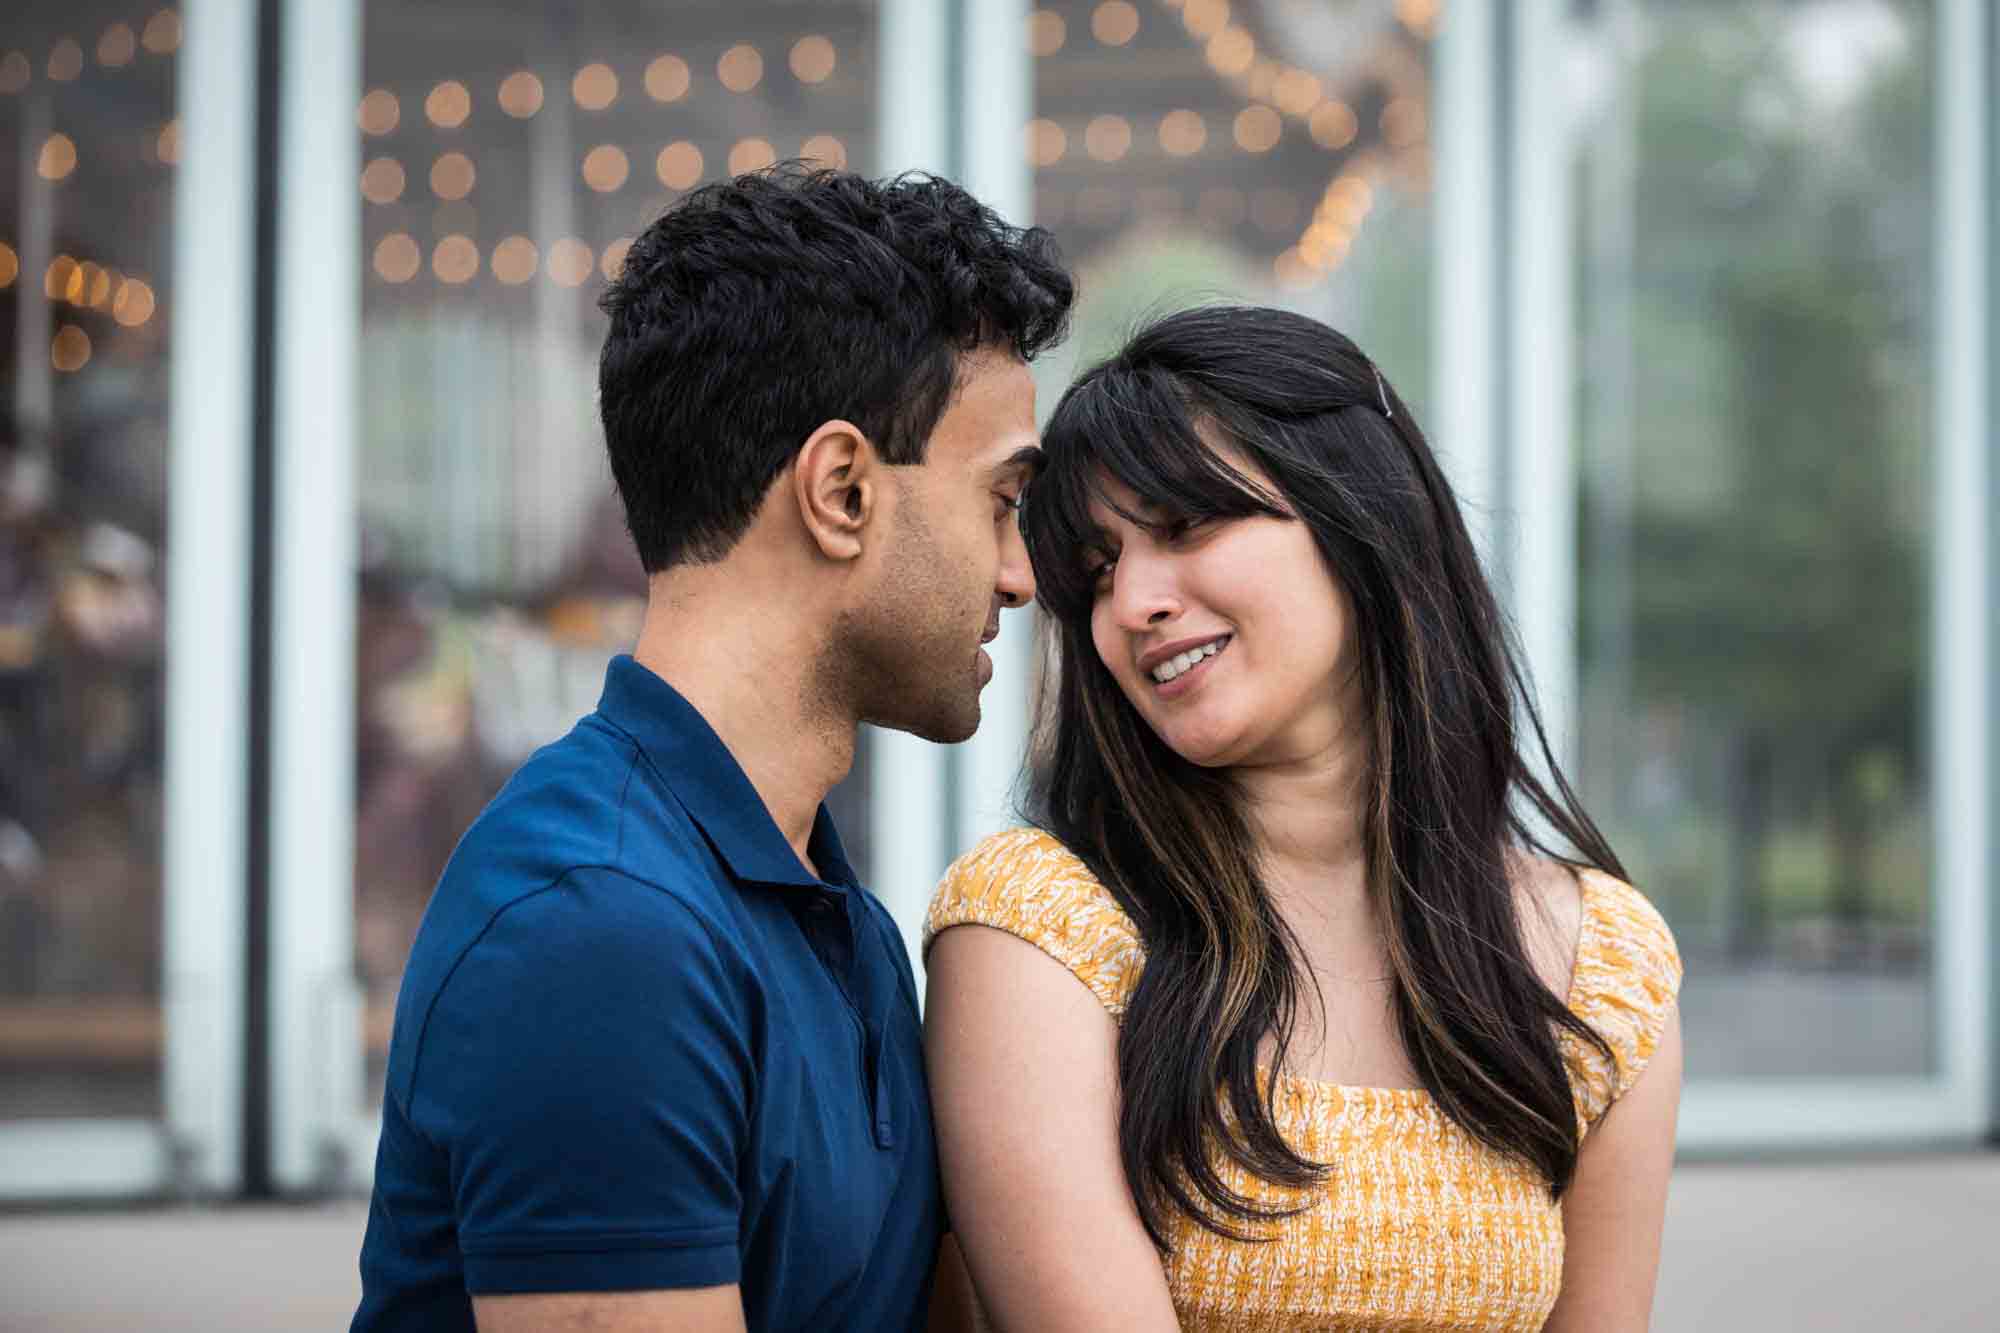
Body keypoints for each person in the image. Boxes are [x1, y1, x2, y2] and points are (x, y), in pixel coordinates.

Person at [351, 166, 1072, 1333]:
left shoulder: (842, 928)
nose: (1021, 573)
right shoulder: (599, 927)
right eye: (1000, 501)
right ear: (841, 490)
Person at [924, 306, 1683, 1332]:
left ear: (1357, 514)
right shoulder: (1042, 927)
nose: (1135, 600)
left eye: (1185, 524)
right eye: (1097, 571)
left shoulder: (1602, 964)